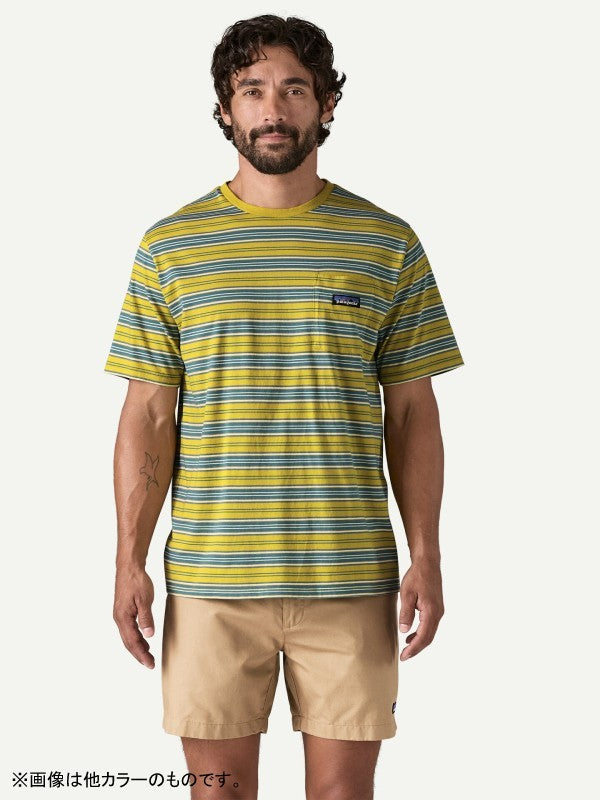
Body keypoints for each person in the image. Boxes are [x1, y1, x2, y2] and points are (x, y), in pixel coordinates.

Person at [104, 14, 465, 800]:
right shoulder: (170, 247)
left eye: (295, 89)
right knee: (218, 793)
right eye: (253, 90)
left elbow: (413, 412)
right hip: (210, 581)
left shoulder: (386, 243)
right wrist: (128, 559)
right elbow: (148, 417)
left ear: (326, 104)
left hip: (351, 576)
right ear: (225, 108)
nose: (273, 109)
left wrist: (428, 554)